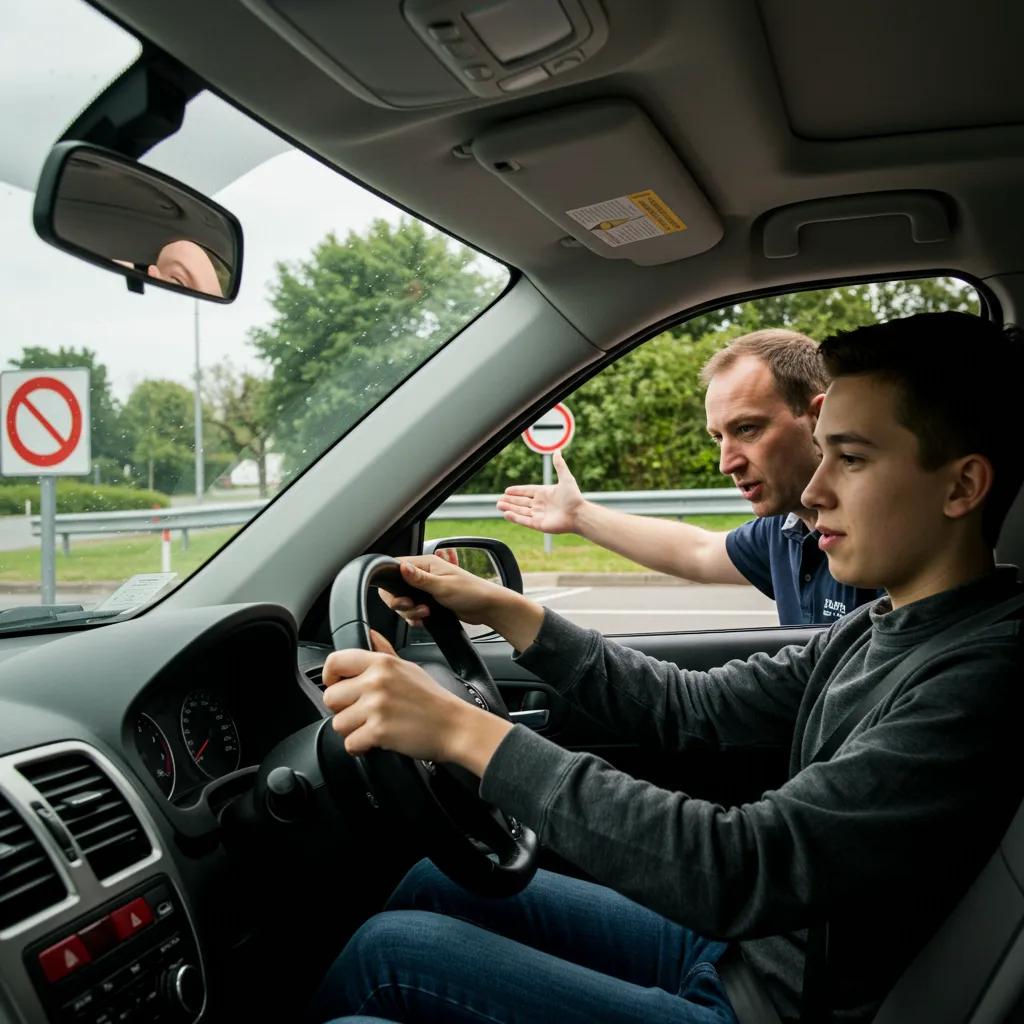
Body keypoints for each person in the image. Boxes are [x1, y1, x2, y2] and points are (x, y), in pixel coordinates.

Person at [310, 311, 1024, 1024]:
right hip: (752, 951)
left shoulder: (981, 678)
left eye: (853, 458)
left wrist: (465, 736)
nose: (814, 492)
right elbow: (692, 707)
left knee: (385, 958)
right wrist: (505, 609)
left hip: (776, 1005)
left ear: (962, 488)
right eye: (824, 453)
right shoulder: (878, 628)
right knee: (433, 886)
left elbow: (744, 865)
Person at [497, 329, 880, 625]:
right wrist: (579, 516)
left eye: (747, 429)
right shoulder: (788, 531)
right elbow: (696, 551)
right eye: (718, 437)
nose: (726, 463)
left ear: (819, 417)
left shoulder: (892, 539)